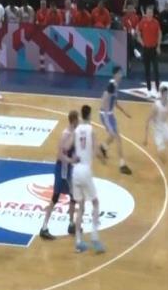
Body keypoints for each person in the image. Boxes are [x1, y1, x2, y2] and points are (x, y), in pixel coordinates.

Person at [39, 110, 79, 240]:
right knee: (55, 198)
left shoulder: (74, 133)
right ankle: (44, 228)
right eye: (77, 120)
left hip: (69, 170)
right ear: (74, 121)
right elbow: (60, 155)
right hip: (62, 170)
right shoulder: (66, 134)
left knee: (74, 197)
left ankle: (71, 224)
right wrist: (71, 160)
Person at [72, 105, 105, 254]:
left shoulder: (76, 130)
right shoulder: (91, 130)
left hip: (75, 170)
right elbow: (96, 150)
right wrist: (103, 159)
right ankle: (94, 237)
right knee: (95, 202)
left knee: (80, 207)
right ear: (90, 115)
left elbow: (71, 147)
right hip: (85, 170)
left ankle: (78, 241)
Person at [99, 67, 132, 175]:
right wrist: (106, 120)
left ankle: (103, 147)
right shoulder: (111, 85)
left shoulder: (115, 85)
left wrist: (124, 112)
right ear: (115, 74)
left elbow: (114, 102)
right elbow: (104, 99)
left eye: (121, 73)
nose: (121, 75)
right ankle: (122, 165)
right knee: (117, 137)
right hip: (106, 115)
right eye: (120, 73)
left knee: (113, 136)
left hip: (110, 114)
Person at [137, 6, 162, 97]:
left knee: (156, 70)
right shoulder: (143, 22)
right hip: (146, 49)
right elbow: (138, 31)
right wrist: (140, 40)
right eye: (148, 12)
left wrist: (158, 46)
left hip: (154, 49)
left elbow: (159, 34)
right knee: (147, 70)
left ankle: (158, 89)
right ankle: (149, 89)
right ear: (146, 13)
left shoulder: (156, 22)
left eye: (151, 12)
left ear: (152, 13)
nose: (149, 14)